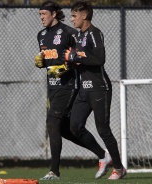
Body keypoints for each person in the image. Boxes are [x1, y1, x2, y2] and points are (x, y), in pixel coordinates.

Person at [34, 0, 110, 180]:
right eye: (40, 15)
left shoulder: (70, 33)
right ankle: (102, 154)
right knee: (66, 129)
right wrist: (41, 63)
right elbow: (48, 59)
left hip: (68, 86)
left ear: (54, 14)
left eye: (44, 14)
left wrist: (66, 67)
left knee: (52, 122)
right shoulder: (41, 35)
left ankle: (54, 171)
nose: (41, 18)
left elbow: (80, 58)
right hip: (52, 86)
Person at [64, 1, 126, 180]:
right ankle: (102, 155)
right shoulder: (78, 36)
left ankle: (119, 168)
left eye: (74, 15)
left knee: (103, 129)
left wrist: (76, 57)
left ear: (84, 15)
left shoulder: (95, 33)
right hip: (84, 90)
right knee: (74, 126)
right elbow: (80, 61)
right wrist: (69, 63)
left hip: (100, 88)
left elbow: (99, 59)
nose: (71, 19)